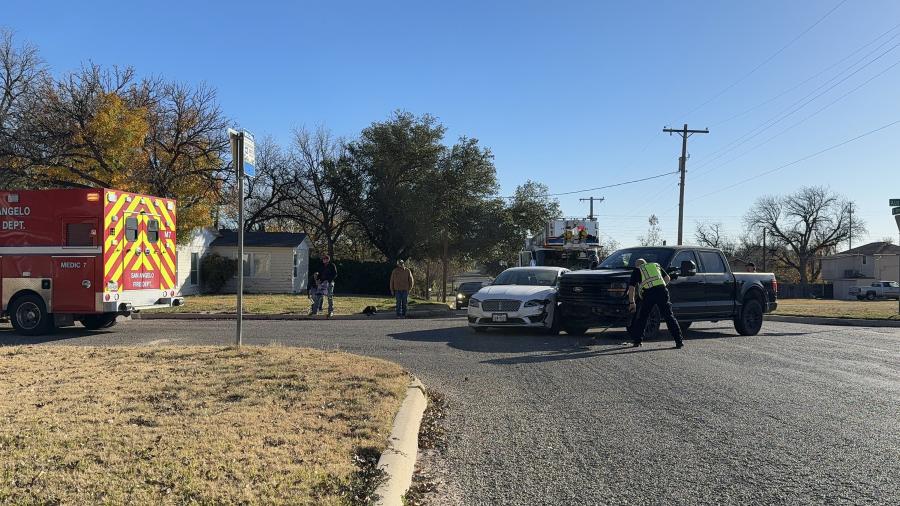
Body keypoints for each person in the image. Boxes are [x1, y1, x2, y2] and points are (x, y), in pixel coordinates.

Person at [626, 258, 684, 349]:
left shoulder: (637, 270)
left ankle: (637, 341)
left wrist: (632, 302)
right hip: (662, 291)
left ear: (637, 265)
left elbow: (631, 288)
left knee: (643, 317)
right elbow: (667, 278)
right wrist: (660, 286)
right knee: (669, 316)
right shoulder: (655, 266)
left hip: (648, 294)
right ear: (645, 263)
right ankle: (679, 341)